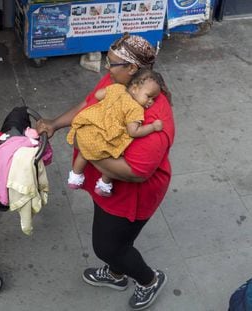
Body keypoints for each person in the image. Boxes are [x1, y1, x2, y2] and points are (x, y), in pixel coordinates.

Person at [36, 32, 175, 310]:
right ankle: (116, 271)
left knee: (108, 246)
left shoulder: (153, 118)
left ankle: (148, 280)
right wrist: (54, 123)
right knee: (115, 239)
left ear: (132, 68)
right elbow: (89, 106)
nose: (106, 68)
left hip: (132, 193)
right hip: (107, 183)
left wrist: (88, 149)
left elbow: (136, 172)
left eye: (112, 63)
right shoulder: (117, 82)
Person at [66, 68, 165, 197]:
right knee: (114, 156)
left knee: (83, 153)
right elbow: (133, 131)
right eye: (149, 96)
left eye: (153, 99)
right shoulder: (135, 109)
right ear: (134, 89)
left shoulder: (117, 88)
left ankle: (75, 177)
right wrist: (153, 127)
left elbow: (98, 95)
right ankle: (104, 185)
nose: (151, 101)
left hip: (89, 129)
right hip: (105, 138)